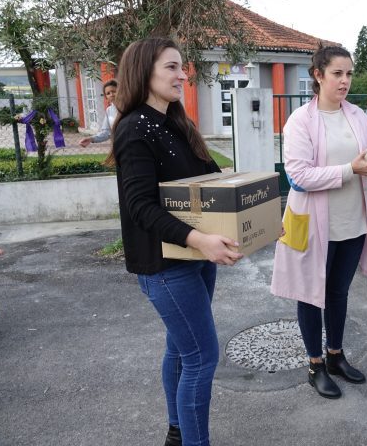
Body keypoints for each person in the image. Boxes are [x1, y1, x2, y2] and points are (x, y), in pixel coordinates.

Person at [109, 37, 243, 446]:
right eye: (171, 67)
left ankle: (177, 431)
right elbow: (140, 207)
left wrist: (262, 215)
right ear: (143, 71)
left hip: (195, 257)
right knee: (201, 358)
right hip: (165, 267)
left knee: (181, 349)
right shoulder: (134, 129)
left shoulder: (178, 123)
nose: (182, 75)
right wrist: (200, 239)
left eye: (181, 67)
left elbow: (215, 180)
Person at [271, 45, 367, 399]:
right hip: (312, 225)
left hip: (352, 223)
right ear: (318, 75)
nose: (345, 81)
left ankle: (336, 356)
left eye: (349, 74)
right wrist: (350, 169)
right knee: (311, 294)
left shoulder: (357, 116)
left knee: (338, 292)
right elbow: (299, 176)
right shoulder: (301, 121)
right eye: (337, 73)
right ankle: (315, 365)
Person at [79, 79, 119, 147]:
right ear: (106, 97)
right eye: (108, 93)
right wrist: (91, 139)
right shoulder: (109, 110)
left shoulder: (130, 107)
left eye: (114, 91)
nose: (111, 95)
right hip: (118, 146)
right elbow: (106, 132)